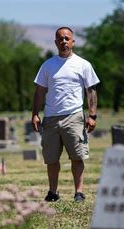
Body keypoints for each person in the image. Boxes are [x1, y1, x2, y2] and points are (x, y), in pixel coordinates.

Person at [31, 26, 100, 202]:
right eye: (60, 39)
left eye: (67, 38)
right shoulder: (48, 65)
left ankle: (79, 192)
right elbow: (40, 91)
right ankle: (53, 192)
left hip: (74, 117)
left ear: (73, 42)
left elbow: (90, 91)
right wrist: (35, 114)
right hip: (51, 117)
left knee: (77, 156)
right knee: (51, 159)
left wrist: (92, 116)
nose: (64, 41)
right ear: (55, 42)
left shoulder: (83, 64)